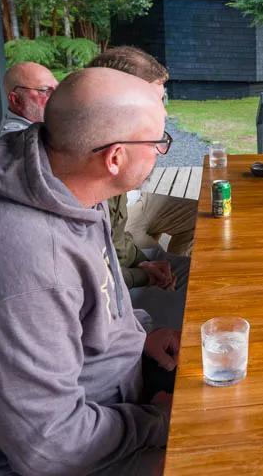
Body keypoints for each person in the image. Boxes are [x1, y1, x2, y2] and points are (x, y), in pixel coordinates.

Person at [0, 68, 180, 474]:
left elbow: (101, 297)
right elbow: (50, 449)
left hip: (102, 400)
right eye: (157, 142)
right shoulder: (24, 263)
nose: (160, 151)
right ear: (115, 157)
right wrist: (157, 423)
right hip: (15, 461)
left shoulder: (68, 183)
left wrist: (142, 339)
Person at [87, 46, 195, 330]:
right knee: (197, 314)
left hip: (128, 272)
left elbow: (117, 239)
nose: (163, 112)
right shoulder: (84, 183)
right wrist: (144, 275)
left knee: (206, 277)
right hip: (112, 309)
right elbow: (97, 278)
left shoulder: (113, 168)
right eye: (155, 100)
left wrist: (143, 264)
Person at [0, 61, 58, 137]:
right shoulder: (15, 139)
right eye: (44, 90)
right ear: (16, 100)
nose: (56, 95)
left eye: (57, 88)